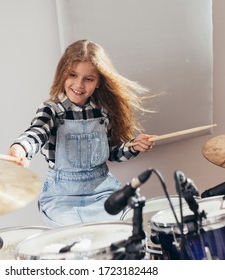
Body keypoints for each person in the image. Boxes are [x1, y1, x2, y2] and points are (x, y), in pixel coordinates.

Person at [10, 39, 155, 228]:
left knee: (132, 224)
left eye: (89, 78)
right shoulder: (52, 109)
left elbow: (111, 152)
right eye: (73, 75)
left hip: (103, 192)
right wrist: (22, 148)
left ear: (99, 82)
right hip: (62, 198)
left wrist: (133, 146)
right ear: (63, 73)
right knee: (79, 238)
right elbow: (37, 132)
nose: (79, 84)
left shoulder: (103, 111)